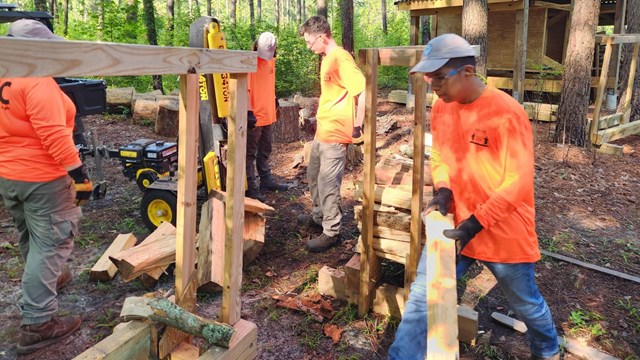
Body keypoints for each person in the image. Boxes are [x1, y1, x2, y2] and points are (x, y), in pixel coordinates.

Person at [388, 33, 560, 360]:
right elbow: (439, 156)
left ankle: (549, 350)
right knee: (423, 297)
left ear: (467, 71)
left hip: (502, 231)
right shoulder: (441, 107)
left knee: (525, 302)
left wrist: (477, 223)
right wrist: (444, 190)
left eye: (439, 77)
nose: (433, 84)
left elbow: (518, 183)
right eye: (428, 77)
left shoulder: (507, 113)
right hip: (454, 228)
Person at [0, 19, 93, 355]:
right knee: (53, 242)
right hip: (43, 177)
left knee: (31, 236)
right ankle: (38, 324)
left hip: (10, 174)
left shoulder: (5, 75)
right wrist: (80, 178)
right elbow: (54, 136)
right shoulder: (37, 81)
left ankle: (47, 283)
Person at [297, 16, 366, 252]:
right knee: (314, 176)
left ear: (322, 37)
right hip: (322, 131)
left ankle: (331, 231)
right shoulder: (327, 58)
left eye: (309, 42)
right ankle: (318, 216)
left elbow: (362, 89)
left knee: (328, 184)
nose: (309, 47)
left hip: (336, 134)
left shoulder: (341, 57)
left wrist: (358, 124)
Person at [245, 31, 288, 203]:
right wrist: (248, 112)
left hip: (268, 114)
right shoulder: (250, 63)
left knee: (265, 149)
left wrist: (274, 98)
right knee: (249, 154)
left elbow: (268, 84)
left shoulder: (271, 61)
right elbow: (245, 89)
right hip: (255, 116)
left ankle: (266, 180)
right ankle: (251, 187)